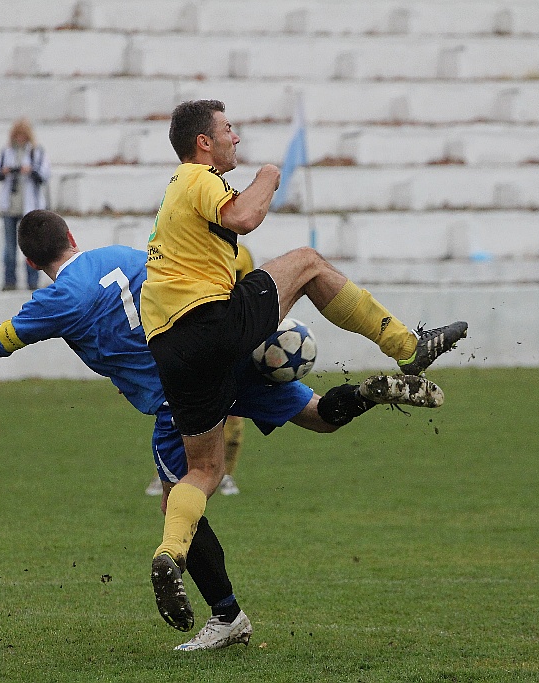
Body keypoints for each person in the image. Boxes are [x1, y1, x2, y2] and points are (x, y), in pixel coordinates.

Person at [0, 209, 444, 650]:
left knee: (180, 497)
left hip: (178, 395)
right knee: (319, 417)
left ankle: (225, 615)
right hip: (222, 354)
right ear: (72, 235)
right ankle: (373, 391)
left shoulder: (53, 302)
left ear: (33, 260)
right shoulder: (123, 256)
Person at [141, 99, 467, 631]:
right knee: (309, 263)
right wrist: (271, 175)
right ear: (204, 142)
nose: (235, 139)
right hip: (211, 325)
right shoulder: (196, 178)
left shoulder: (176, 206)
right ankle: (409, 347)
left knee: (204, 471)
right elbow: (244, 217)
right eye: (228, 130)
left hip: (174, 352)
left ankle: (169, 552)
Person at [146, 244, 256, 498]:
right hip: (191, 339)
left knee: (233, 417)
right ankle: (164, 475)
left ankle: (226, 474)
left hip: (229, 340)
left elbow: (246, 294)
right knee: (178, 413)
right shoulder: (188, 247)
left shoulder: (242, 254)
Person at [0, 118, 50, 291]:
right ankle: (9, 281)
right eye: (17, 136)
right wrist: (6, 171)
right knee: (9, 248)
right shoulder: (6, 152)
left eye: (22, 136)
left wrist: (30, 170)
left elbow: (45, 175)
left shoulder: (36, 152)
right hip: (10, 206)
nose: (19, 139)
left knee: (31, 247)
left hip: (29, 208)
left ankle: (32, 282)